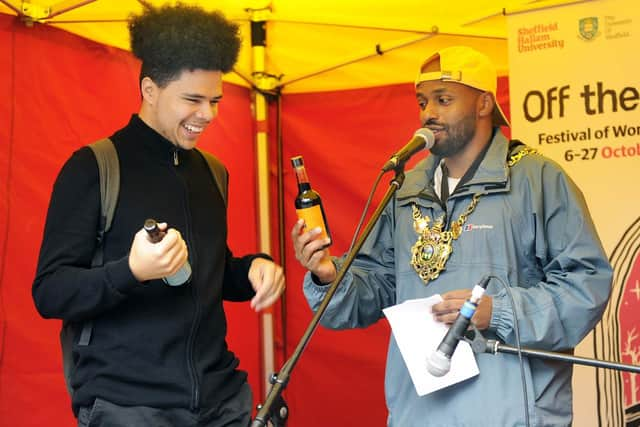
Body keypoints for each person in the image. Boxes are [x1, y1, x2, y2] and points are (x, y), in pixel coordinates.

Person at [291, 45, 612, 426]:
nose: (429, 113)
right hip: (420, 413)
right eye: (423, 101)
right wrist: (329, 274)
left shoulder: (537, 179)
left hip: (508, 413)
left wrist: (502, 310)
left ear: (484, 104)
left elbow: (587, 285)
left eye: (444, 100)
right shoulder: (405, 188)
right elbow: (375, 286)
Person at [32, 4, 285, 426]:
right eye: (193, 99)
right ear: (149, 89)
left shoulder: (212, 172)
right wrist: (131, 270)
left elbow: (211, 272)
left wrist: (255, 268)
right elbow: (50, 292)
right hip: (128, 407)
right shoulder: (94, 166)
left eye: (215, 100)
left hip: (221, 402)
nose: (208, 114)